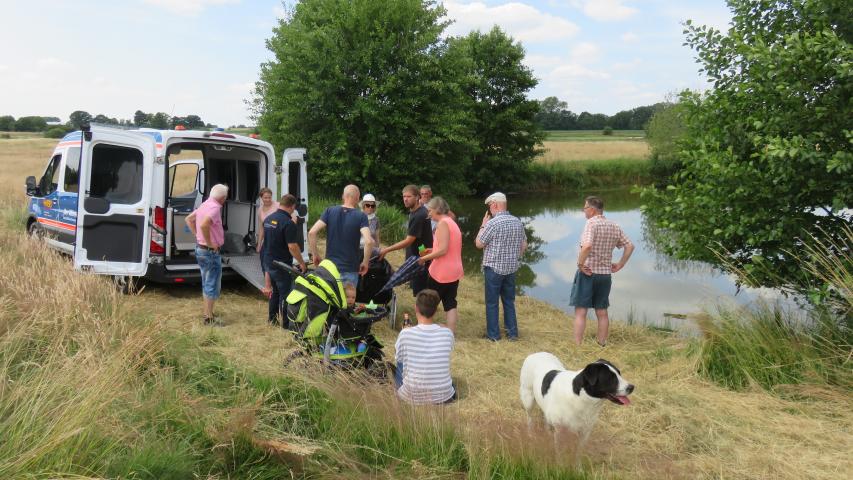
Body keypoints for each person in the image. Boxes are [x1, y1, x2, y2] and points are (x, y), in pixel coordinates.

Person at [571, 196, 634, 347]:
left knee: (581, 311)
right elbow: (630, 246)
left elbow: (587, 246)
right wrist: (620, 264)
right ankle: (601, 344)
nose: (584, 211)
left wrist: (580, 264)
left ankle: (577, 345)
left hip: (588, 273)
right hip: (605, 275)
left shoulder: (591, 224)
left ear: (592, 210)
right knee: (602, 311)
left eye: (585, 208)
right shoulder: (614, 225)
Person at [475, 192, 527, 341]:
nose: (490, 210)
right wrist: (514, 256)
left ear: (495, 205)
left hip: (494, 269)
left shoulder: (492, 223)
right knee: (509, 301)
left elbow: (479, 244)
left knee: (492, 303)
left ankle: (493, 335)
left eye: (490, 206)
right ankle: (512, 333)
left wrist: (483, 225)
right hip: (511, 268)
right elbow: (524, 245)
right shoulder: (517, 221)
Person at [394, 289, 456, 405]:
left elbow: (399, 357)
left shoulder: (405, 333)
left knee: (400, 363)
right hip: (444, 396)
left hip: (410, 396)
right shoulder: (447, 333)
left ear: (416, 308)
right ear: (435, 310)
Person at [308, 184, 373, 288]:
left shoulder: (329, 211)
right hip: (350, 269)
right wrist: (365, 262)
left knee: (329, 298)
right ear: (358, 199)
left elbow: (312, 232)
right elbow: (369, 241)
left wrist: (315, 255)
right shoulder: (361, 216)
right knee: (347, 298)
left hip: (329, 270)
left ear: (343, 196)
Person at [418, 196, 463, 333]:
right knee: (450, 302)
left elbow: (443, 250)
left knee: (429, 301)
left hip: (441, 272)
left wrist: (424, 259)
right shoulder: (452, 222)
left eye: (430, 210)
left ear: (437, 209)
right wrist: (431, 250)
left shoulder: (442, 224)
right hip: (454, 271)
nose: (429, 213)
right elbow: (448, 247)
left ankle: (425, 329)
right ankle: (450, 332)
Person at [185, 184, 229, 326]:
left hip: (201, 249)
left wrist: (198, 236)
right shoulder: (215, 208)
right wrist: (209, 243)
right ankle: (209, 318)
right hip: (210, 252)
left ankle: (207, 312)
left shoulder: (204, 204)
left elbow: (188, 219)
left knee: (206, 281)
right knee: (212, 283)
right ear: (223, 198)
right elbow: (204, 225)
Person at [261, 194, 307, 327]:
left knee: (275, 291)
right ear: (292, 206)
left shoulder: (268, 219)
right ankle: (286, 324)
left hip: (268, 261)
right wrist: (302, 263)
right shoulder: (288, 223)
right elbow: (292, 246)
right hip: (282, 264)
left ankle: (272, 319)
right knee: (285, 294)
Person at [378, 185, 433, 295]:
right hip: (418, 255)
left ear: (417, 197)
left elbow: (408, 240)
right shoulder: (416, 211)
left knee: (421, 292)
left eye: (409, 196)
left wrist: (386, 249)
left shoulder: (419, 215)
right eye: (404, 196)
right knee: (417, 289)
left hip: (421, 259)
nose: (405, 199)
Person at [255, 187, 279, 254]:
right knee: (265, 257)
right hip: (267, 239)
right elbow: (261, 228)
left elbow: (291, 215)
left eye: (269, 197)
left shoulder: (278, 205)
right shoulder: (260, 209)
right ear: (261, 197)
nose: (268, 200)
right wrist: (259, 244)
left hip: (278, 239)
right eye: (265, 198)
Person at [359, 193, 381, 257]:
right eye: (368, 205)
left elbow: (377, 237)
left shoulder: (376, 220)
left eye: (372, 206)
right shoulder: (358, 217)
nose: (370, 207)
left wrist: (377, 250)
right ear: (363, 206)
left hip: (371, 249)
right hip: (358, 248)